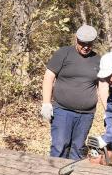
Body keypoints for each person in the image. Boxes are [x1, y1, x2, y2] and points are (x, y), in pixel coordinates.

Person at [41, 24, 108, 160]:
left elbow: (103, 87)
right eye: (82, 43)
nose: (85, 47)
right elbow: (49, 77)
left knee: (77, 149)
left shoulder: (98, 60)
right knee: (59, 146)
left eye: (89, 44)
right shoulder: (63, 53)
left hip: (86, 115)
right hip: (62, 111)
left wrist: (108, 111)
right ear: (76, 39)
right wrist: (46, 103)